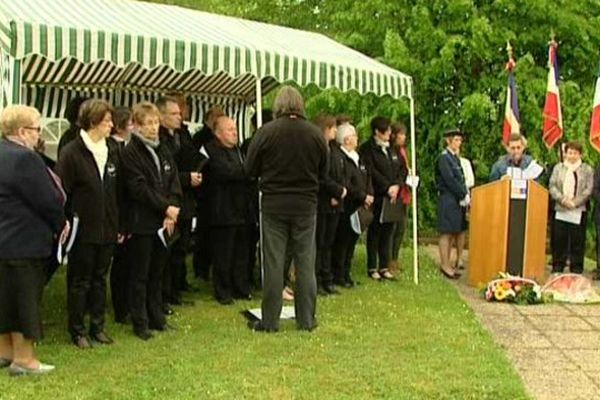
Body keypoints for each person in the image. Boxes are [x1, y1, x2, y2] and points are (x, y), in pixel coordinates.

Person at [245, 86, 327, 332]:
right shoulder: (315, 134)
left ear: (279, 106)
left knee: (273, 263)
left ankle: (269, 321)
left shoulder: (266, 132)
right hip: (305, 206)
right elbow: (325, 171)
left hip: (273, 205)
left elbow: (249, 169)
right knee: (305, 262)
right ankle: (307, 320)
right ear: (301, 105)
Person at [0, 105, 67, 376]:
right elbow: (47, 200)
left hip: (4, 241)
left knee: (4, 300)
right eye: (37, 129)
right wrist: (61, 223)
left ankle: (4, 351)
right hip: (25, 241)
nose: (39, 135)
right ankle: (25, 359)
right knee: (26, 301)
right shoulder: (26, 159)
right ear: (21, 131)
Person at [56, 99, 121, 348]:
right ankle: (77, 329)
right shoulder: (72, 152)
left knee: (99, 278)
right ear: (93, 122)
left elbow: (119, 191)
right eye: (107, 121)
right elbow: (63, 191)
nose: (111, 125)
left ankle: (97, 325)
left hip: (108, 226)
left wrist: (119, 224)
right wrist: (67, 221)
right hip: (82, 227)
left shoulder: (113, 150)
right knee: (80, 280)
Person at [120, 102, 182, 340]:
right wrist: (165, 207)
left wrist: (173, 207)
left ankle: (157, 317)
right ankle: (140, 321)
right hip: (143, 221)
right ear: (136, 125)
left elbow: (172, 178)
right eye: (148, 123)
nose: (153, 128)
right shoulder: (131, 153)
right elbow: (139, 188)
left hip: (165, 221)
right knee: (140, 274)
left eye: (156, 122)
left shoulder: (163, 149)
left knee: (158, 272)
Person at [199, 116, 252, 304]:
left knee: (241, 253)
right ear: (218, 133)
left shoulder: (238, 151)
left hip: (241, 209)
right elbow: (225, 172)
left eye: (235, 128)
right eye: (230, 129)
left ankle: (240, 287)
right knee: (224, 254)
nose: (235, 132)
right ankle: (223, 291)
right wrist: (248, 171)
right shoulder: (211, 150)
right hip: (222, 210)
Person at [157, 96, 200, 308]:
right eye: (174, 114)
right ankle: (165, 293)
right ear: (162, 117)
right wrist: (186, 178)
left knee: (180, 249)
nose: (179, 117)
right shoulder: (160, 140)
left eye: (179, 113)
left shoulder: (181, 135)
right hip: (169, 201)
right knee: (167, 251)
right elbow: (166, 174)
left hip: (185, 200)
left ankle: (176, 289)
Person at [359, 116, 406, 281]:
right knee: (375, 232)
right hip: (378, 196)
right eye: (386, 132)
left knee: (389, 231)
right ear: (377, 132)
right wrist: (387, 187)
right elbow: (371, 172)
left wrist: (397, 186)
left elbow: (402, 169)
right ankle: (372, 267)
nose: (389, 134)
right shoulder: (367, 149)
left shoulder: (392, 149)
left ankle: (384, 266)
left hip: (393, 197)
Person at [332, 123, 374, 287]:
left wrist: (369, 193)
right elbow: (346, 183)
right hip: (348, 204)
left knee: (352, 242)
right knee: (343, 241)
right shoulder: (342, 159)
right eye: (354, 135)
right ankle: (339, 274)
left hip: (361, 205)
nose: (357, 138)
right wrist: (362, 195)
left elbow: (367, 176)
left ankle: (346, 273)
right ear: (347, 139)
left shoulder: (358, 158)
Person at [315, 114, 347, 295]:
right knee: (319, 242)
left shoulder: (334, 149)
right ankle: (317, 279)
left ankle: (327, 279)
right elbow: (321, 177)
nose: (336, 131)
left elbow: (339, 172)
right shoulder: (319, 148)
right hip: (321, 202)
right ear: (325, 129)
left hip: (335, 201)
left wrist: (340, 191)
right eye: (333, 128)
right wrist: (335, 191)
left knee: (328, 242)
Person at [549, 141, 593, 274]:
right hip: (561, 208)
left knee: (577, 240)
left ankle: (576, 268)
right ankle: (558, 266)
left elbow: (588, 189)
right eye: (569, 153)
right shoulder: (558, 168)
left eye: (575, 153)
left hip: (578, 210)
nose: (571, 156)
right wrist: (563, 200)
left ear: (580, 154)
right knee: (559, 239)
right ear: (565, 153)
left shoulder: (587, 169)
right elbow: (552, 186)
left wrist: (575, 202)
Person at [192, 106, 224, 282]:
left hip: (215, 193)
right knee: (203, 233)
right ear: (211, 118)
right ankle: (201, 268)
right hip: (205, 191)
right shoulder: (201, 138)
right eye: (219, 116)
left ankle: (207, 267)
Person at [108, 106, 133, 324]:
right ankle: (120, 307)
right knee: (120, 265)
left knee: (127, 264)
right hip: (117, 214)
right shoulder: (113, 149)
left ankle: (126, 304)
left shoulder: (127, 147)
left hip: (127, 215)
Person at [436, 128, 469, 279]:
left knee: (454, 231)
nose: (459, 143)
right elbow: (449, 179)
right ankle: (444, 264)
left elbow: (461, 178)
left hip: (456, 199)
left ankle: (448, 264)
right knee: (446, 232)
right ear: (448, 141)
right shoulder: (444, 158)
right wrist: (462, 193)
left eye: (460, 140)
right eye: (456, 140)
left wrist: (465, 194)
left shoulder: (455, 158)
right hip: (448, 198)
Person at [389, 122, 411, 272]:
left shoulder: (403, 151)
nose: (403, 137)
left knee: (401, 228)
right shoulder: (392, 151)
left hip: (404, 193)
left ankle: (395, 258)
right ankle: (388, 259)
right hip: (395, 192)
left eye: (404, 134)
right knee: (393, 228)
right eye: (401, 134)